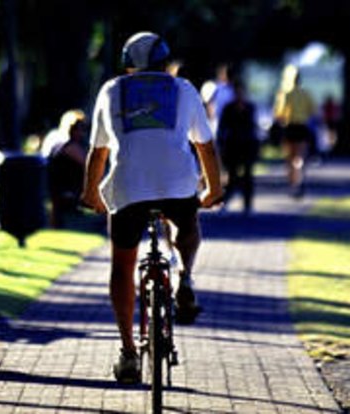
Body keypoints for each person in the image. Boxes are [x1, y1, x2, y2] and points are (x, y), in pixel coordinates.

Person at [81, 32, 223, 384]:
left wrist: (90, 194)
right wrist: (214, 189)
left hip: (128, 187)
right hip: (177, 183)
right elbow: (204, 146)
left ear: (128, 64)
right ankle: (184, 277)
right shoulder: (184, 89)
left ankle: (128, 352)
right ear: (165, 62)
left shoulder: (112, 91)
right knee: (187, 226)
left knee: (122, 263)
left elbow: (98, 152)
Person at [218, 80, 259, 214]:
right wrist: (221, 144)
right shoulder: (228, 108)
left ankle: (248, 205)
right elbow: (222, 128)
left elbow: (253, 128)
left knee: (248, 175)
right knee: (232, 176)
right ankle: (225, 201)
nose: (240, 94)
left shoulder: (250, 107)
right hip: (232, 146)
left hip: (247, 145)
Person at [274, 70, 316, 198]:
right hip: (302, 127)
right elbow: (313, 111)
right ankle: (300, 177)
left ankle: (293, 183)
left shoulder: (286, 93)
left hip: (289, 127)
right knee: (300, 156)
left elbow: (279, 113)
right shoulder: (306, 93)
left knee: (289, 158)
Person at [45, 109, 88, 228]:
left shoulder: (57, 143)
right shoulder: (70, 147)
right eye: (80, 128)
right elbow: (88, 165)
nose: (82, 132)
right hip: (66, 189)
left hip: (59, 189)